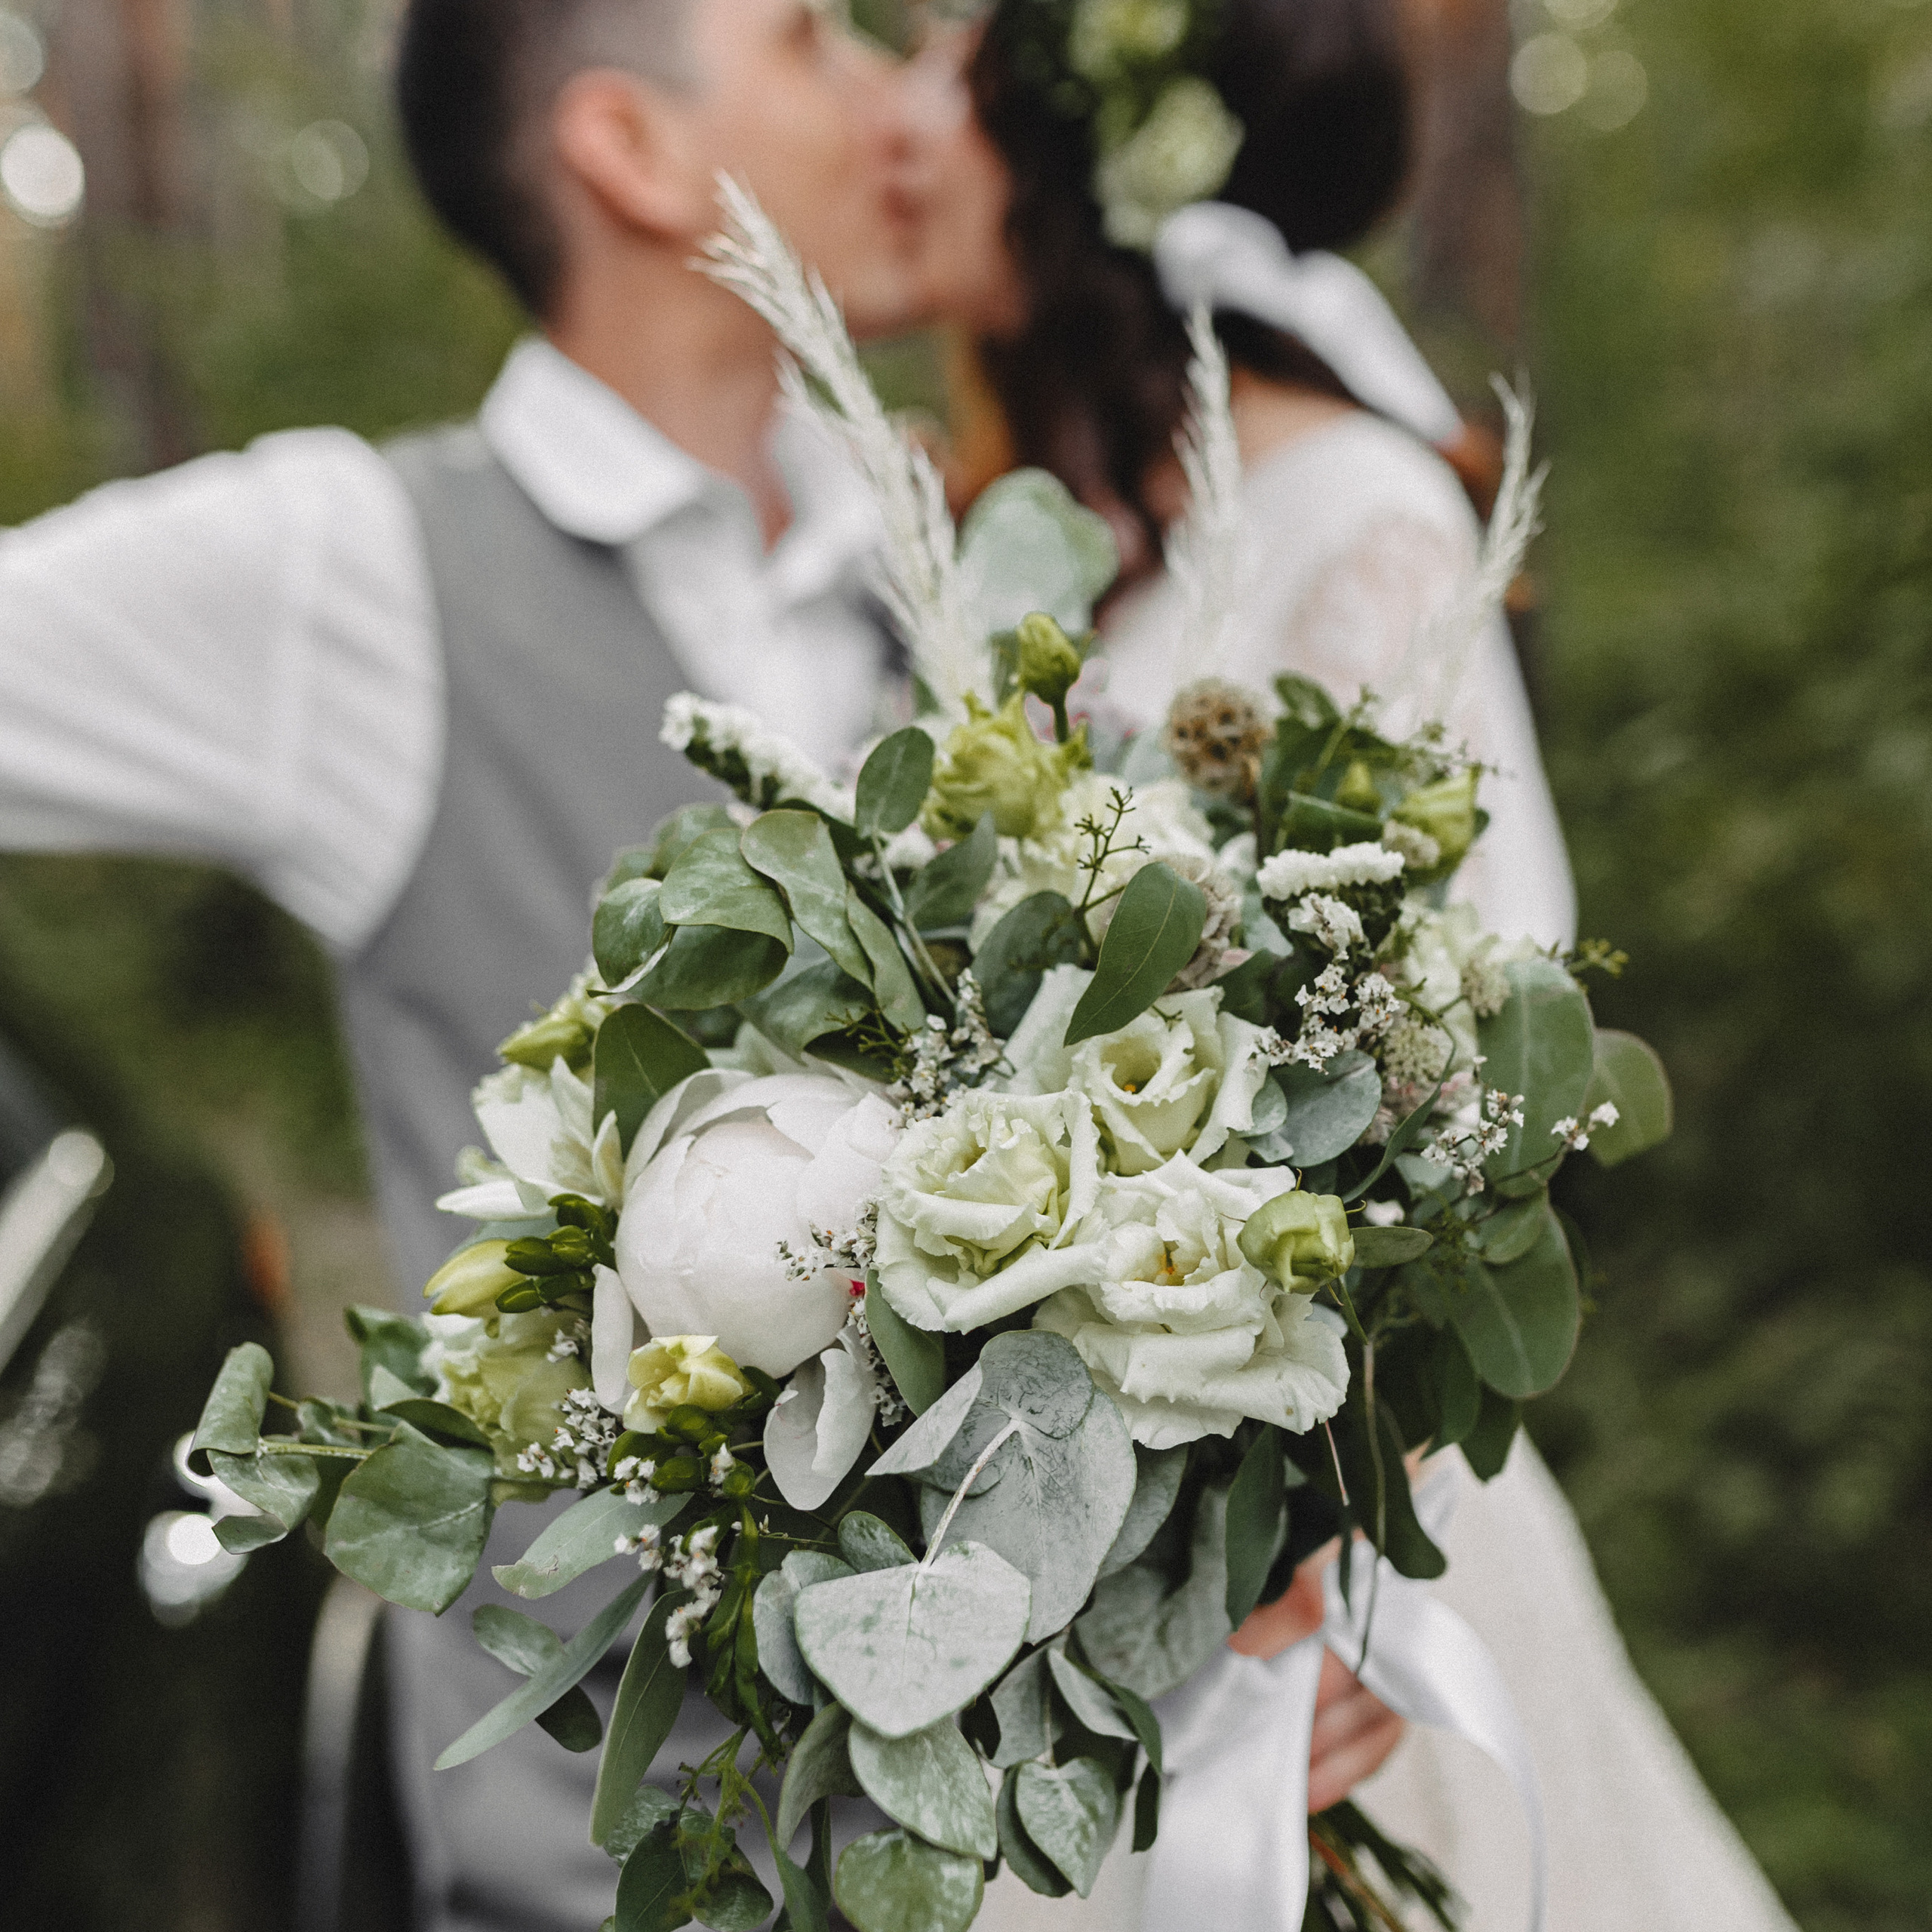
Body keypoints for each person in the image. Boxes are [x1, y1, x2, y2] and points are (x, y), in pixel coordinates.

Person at [0, 5, 924, 1927]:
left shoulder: (936, 567)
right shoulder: (357, 566)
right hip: (615, 1859)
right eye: (813, 38)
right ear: (632, 152)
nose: (888, 92)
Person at [896, 2, 1803, 1927]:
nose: (902, 115)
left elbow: (1466, 1074)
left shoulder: (1357, 515)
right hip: (1049, 1545)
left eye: (944, 72)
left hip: (1309, 1538)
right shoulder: (1060, 534)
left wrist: (1318, 1553)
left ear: (1076, 164)